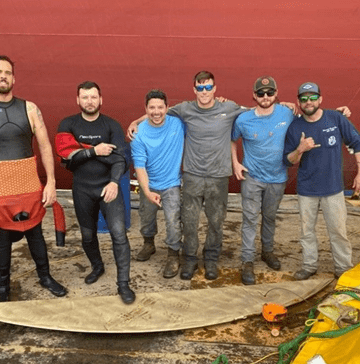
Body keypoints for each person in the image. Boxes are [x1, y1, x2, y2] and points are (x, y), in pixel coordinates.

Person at [0, 55, 67, 302]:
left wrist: (51, 182)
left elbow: (45, 146)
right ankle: (3, 285)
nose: (3, 76)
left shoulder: (29, 108)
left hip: (29, 184)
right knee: (2, 238)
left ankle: (45, 277)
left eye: (7, 72)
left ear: (14, 77)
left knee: (36, 234)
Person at [128, 71, 247, 281]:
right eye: (200, 88)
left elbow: (255, 112)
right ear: (194, 90)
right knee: (188, 222)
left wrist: (284, 105)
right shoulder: (184, 110)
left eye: (208, 87)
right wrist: (135, 122)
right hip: (192, 176)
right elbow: (157, 113)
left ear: (215, 89)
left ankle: (210, 259)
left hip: (218, 177)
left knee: (216, 222)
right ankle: (189, 258)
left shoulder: (228, 107)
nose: (204, 92)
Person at [55, 81, 135, 304]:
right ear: (77, 100)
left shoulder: (111, 125)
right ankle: (97, 266)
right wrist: (95, 151)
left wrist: (113, 182)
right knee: (87, 236)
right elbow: (66, 160)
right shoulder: (68, 124)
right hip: (82, 189)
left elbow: (121, 159)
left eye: (93, 97)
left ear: (101, 99)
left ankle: (123, 284)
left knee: (119, 234)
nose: (89, 101)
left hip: (108, 187)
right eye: (85, 97)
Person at [283, 82, 360, 279]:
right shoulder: (295, 126)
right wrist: (300, 149)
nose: (308, 102)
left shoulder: (336, 118)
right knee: (307, 233)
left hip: (333, 188)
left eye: (313, 97)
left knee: (338, 231)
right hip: (306, 190)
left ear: (320, 99)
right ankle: (309, 265)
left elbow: (358, 143)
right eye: (304, 98)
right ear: (298, 102)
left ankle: (343, 268)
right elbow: (287, 160)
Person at [232, 76, 294, 285]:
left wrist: (341, 112)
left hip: (278, 177)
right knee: (250, 219)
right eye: (261, 93)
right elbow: (232, 140)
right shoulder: (243, 119)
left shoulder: (287, 113)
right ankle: (247, 261)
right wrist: (235, 163)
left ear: (276, 94)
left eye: (269, 93)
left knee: (269, 217)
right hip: (252, 177)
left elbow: (312, 117)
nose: (265, 97)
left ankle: (267, 252)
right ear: (254, 96)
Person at [131, 89, 185, 278]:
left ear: (167, 108)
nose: (156, 112)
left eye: (160, 107)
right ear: (145, 109)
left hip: (172, 184)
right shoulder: (138, 134)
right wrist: (147, 191)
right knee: (146, 217)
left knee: (173, 220)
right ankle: (149, 244)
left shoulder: (178, 124)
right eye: (152, 107)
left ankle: (173, 254)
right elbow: (140, 167)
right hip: (149, 183)